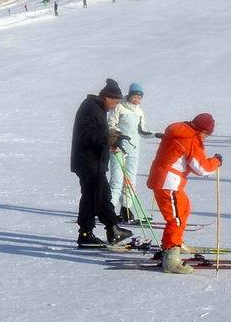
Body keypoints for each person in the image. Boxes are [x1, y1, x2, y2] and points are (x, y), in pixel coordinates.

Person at [146, 113, 222, 274]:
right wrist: (216, 161)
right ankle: (171, 258)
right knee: (176, 219)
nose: (206, 138)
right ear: (202, 131)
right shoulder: (190, 138)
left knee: (184, 208)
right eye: (207, 134)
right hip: (168, 182)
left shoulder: (181, 130)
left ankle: (175, 243)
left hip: (166, 179)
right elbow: (201, 168)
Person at [70, 78, 132, 248]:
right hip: (88, 163)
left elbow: (96, 133)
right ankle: (85, 234)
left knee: (103, 196)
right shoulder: (90, 108)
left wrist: (110, 138)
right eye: (115, 101)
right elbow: (86, 136)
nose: (116, 105)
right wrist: (107, 138)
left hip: (95, 162)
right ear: (106, 97)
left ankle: (113, 229)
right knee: (91, 198)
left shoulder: (97, 108)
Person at [107, 83, 155, 223]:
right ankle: (109, 210)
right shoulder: (119, 107)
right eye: (135, 96)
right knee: (117, 180)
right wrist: (116, 137)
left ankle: (126, 209)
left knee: (130, 180)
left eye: (139, 97)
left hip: (133, 150)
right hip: (118, 149)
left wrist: (156, 135)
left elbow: (142, 130)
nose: (137, 100)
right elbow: (111, 124)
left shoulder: (139, 112)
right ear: (129, 95)